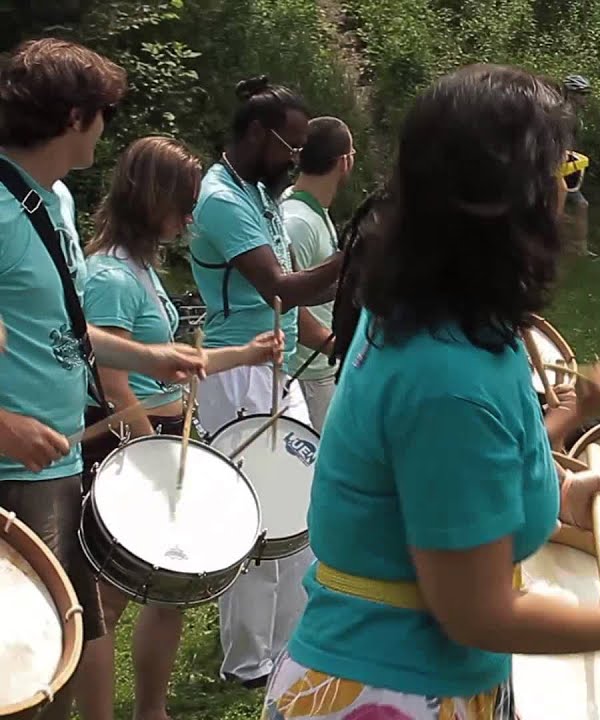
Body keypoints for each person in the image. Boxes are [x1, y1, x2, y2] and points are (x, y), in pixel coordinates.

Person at [260, 63, 600, 720]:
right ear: (514, 199)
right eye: (564, 173)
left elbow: (431, 489)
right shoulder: (448, 375)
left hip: (416, 682)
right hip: (387, 694)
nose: (570, 193)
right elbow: (476, 615)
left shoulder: (441, 319)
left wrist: (559, 491)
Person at [0, 38, 205, 720]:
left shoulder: (53, 200)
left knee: (60, 655)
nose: (106, 128)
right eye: (103, 114)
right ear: (76, 117)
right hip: (11, 476)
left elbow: (64, 325)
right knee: (20, 678)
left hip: (56, 469)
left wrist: (150, 359)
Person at [75, 136, 283, 720]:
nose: (190, 216)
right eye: (183, 202)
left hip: (161, 441)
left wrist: (243, 353)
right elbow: (111, 376)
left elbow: (169, 363)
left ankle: (151, 710)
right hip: (126, 447)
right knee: (105, 600)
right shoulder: (111, 277)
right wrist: (144, 450)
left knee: (169, 589)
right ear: (151, 199)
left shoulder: (140, 271)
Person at [186, 76, 341, 687]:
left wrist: (331, 336)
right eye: (291, 147)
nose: (297, 161)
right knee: (254, 517)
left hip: (274, 368)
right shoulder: (221, 198)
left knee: (298, 513)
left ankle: (288, 646)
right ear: (256, 134)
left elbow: (289, 298)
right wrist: (362, 257)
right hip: (234, 374)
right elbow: (278, 284)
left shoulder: (260, 191)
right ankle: (246, 660)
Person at [280, 116, 356, 429]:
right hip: (310, 378)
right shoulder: (297, 222)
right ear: (344, 162)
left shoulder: (307, 209)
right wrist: (345, 349)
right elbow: (287, 303)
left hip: (324, 370)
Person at [561, 73, 594, 256]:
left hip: (567, 164)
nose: (585, 98)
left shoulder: (570, 113)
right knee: (580, 205)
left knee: (566, 206)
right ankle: (579, 248)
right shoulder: (567, 115)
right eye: (582, 93)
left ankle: (573, 246)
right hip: (562, 166)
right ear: (571, 94)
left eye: (586, 93)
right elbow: (562, 144)